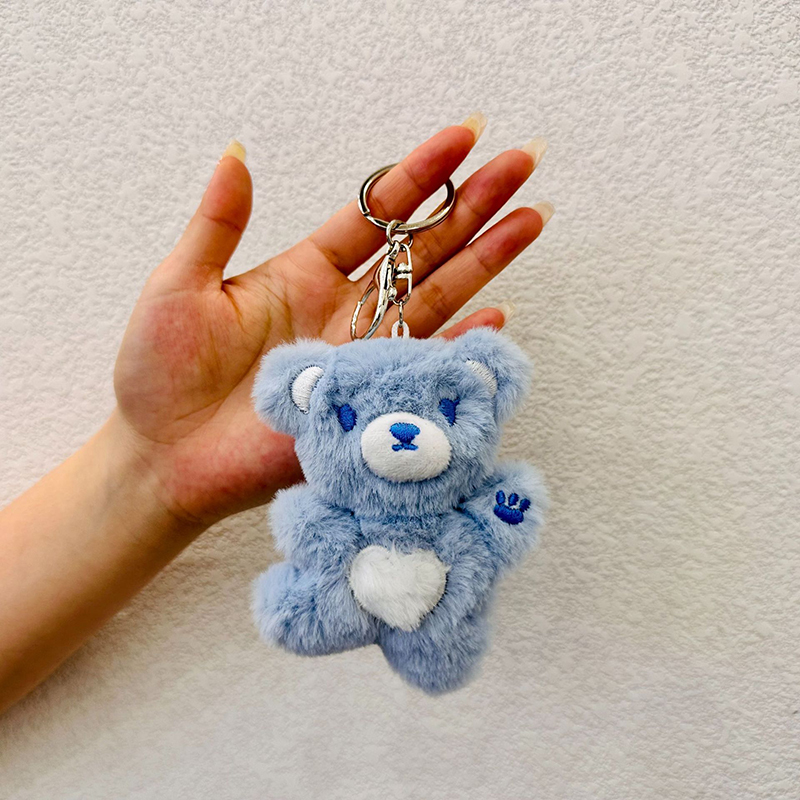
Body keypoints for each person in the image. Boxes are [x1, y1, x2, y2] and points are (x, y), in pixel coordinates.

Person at [0, 114, 553, 713]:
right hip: (352, 577)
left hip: (445, 569)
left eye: (445, 410)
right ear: (303, 397)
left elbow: (495, 531)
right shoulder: (331, 492)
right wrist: (153, 462)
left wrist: (505, 510)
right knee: (308, 601)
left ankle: (432, 645)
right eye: (349, 418)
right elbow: (305, 525)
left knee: (456, 604)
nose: (399, 430)